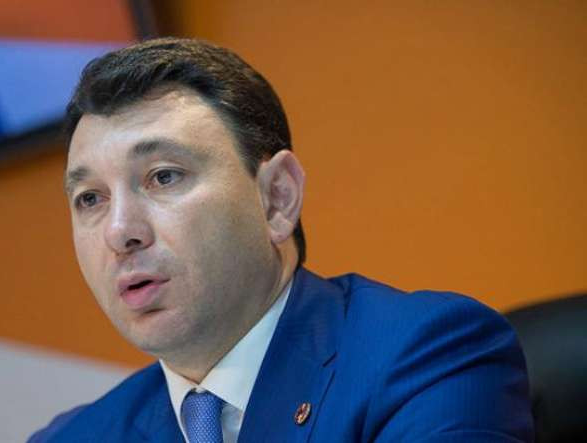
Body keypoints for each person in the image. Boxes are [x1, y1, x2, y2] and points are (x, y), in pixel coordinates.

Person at [29, 37, 533, 443]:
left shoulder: (429, 358)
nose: (119, 232)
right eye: (90, 199)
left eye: (164, 176)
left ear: (277, 198)